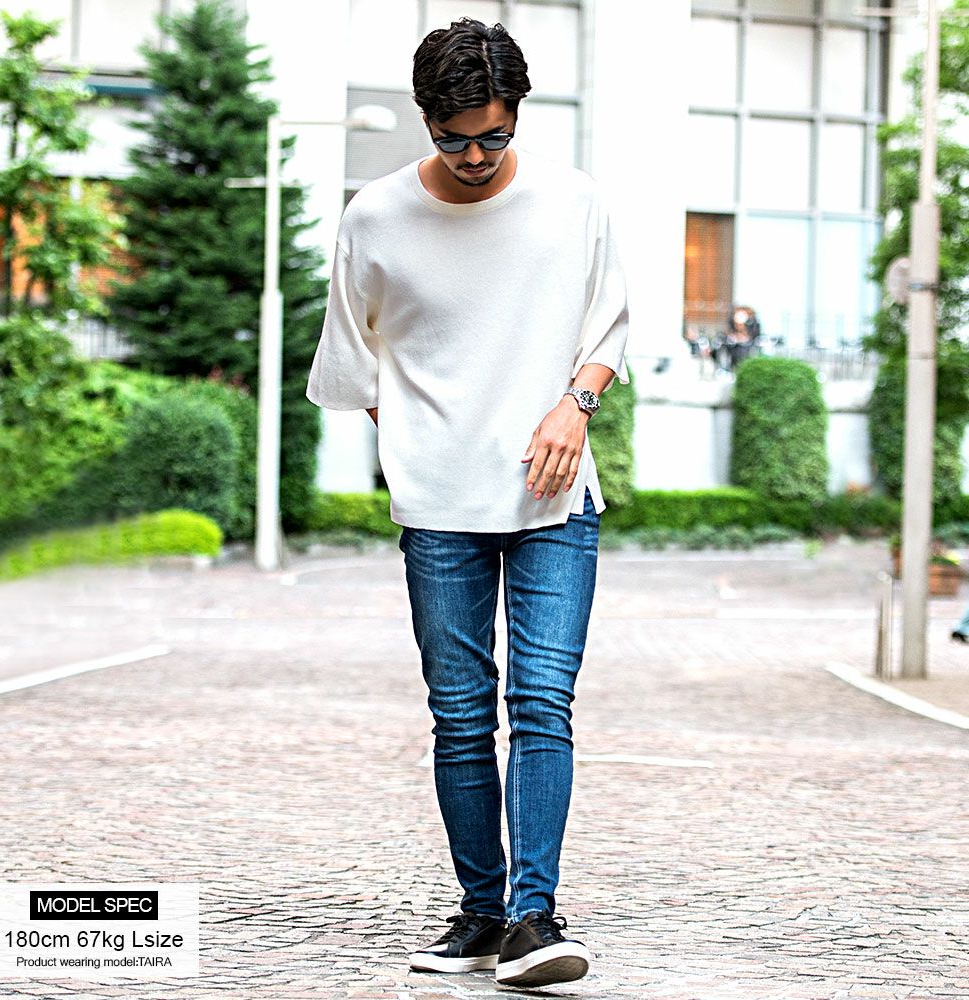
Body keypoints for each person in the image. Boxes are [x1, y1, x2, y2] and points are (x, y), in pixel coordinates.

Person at [305, 16, 629, 989]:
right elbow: (352, 361)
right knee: (458, 714)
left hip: (554, 498)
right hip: (438, 509)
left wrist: (574, 405)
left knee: (541, 703)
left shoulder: (572, 201)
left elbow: (608, 328)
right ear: (425, 119)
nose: (477, 156)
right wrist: (421, 438)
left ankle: (534, 918)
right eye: (455, 139)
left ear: (516, 113)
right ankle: (481, 914)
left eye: (494, 135)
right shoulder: (375, 216)